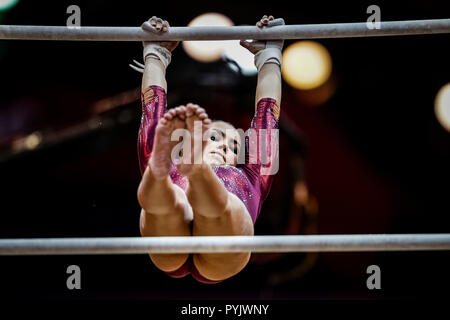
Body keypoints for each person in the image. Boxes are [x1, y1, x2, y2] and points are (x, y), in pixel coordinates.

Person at [134, 15, 283, 283]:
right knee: (171, 203)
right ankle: (176, 174)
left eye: (233, 146)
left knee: (228, 207)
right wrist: (270, 56)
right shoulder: (171, 159)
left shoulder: (251, 174)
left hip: (222, 251)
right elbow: (268, 112)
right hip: (169, 237)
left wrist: (154, 55)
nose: (225, 147)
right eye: (214, 138)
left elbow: (267, 116)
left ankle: (198, 172)